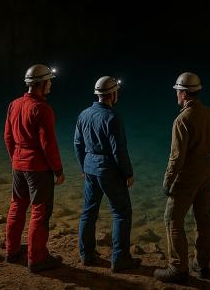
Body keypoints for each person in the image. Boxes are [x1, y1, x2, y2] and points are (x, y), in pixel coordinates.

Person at [153, 72, 210, 284]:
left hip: (187, 177)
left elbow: (176, 157)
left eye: (178, 92)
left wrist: (168, 181)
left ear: (185, 93)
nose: (177, 95)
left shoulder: (182, 120)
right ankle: (202, 264)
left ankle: (177, 268)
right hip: (205, 172)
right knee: (203, 218)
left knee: (173, 220)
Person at [74, 76, 141, 273]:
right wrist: (128, 173)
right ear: (112, 94)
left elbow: (78, 144)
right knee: (121, 213)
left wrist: (83, 167)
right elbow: (118, 150)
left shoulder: (83, 114)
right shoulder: (112, 117)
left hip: (90, 169)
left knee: (88, 213)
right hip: (109, 170)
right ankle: (120, 259)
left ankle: (86, 255)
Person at [4, 64, 65, 272]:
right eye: (49, 82)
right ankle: (37, 258)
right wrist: (58, 170)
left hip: (19, 164)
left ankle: (12, 251)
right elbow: (48, 144)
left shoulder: (14, 104)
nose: (50, 85)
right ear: (41, 84)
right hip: (38, 168)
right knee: (39, 211)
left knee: (17, 206)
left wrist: (16, 158)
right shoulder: (42, 109)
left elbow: (8, 137)